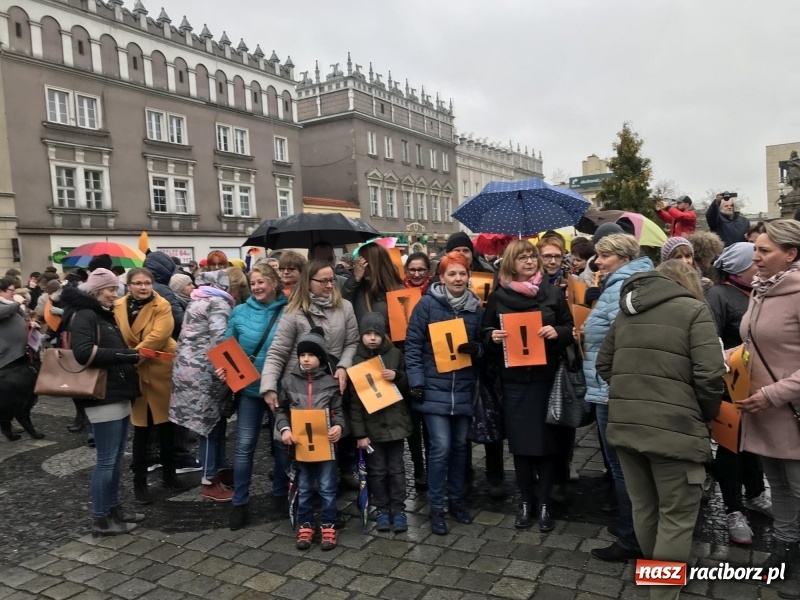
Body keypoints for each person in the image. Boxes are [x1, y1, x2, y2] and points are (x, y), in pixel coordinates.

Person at [596, 260, 725, 600]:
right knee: (677, 515)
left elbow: (604, 363)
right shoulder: (695, 311)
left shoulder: (628, 309)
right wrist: (704, 413)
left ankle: (655, 580)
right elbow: (711, 375)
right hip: (676, 429)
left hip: (626, 426)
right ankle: (662, 592)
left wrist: (632, 392)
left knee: (646, 508)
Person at [481, 240, 574, 531]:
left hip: (545, 380)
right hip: (514, 383)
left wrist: (555, 331)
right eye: (523, 258)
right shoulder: (499, 296)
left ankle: (544, 504)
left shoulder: (552, 293)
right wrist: (492, 337)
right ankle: (525, 502)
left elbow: (569, 329)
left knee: (546, 445)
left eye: (532, 257)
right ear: (511, 263)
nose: (530, 262)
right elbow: (483, 331)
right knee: (521, 447)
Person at [736, 220, 800, 599]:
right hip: (763, 411)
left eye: (764, 251)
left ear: (790, 254)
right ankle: (785, 552)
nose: (754, 257)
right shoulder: (760, 290)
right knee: (778, 487)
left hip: (790, 411)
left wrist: (774, 393)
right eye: (755, 249)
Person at [583, 233, 654, 562]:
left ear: (623, 257)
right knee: (624, 466)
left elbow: (623, 338)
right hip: (610, 386)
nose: (597, 262)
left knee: (623, 467)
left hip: (611, 389)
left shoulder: (623, 286)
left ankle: (631, 538)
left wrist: (615, 384)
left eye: (603, 256)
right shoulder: (621, 283)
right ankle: (631, 526)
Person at [260, 259, 359, 488]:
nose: (328, 285)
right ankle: (293, 494)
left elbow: (352, 342)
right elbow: (277, 352)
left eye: (331, 280)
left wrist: (344, 366)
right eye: (322, 281)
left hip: (330, 385)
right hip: (299, 388)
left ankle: (327, 494)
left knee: (331, 438)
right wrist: (269, 386)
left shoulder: (345, 307)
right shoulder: (294, 312)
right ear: (308, 282)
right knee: (297, 444)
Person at [59, 269, 144, 536]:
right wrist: (126, 355)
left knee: (116, 458)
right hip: (102, 395)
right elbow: (83, 353)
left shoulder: (100, 314)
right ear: (96, 290)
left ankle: (113, 509)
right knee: (107, 460)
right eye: (109, 289)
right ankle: (101, 519)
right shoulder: (85, 315)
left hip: (116, 393)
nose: (114, 294)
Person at [405, 251, 483, 535]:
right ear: (441, 277)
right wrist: (416, 380)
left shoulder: (476, 308)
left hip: (462, 388)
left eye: (462, 273)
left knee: (461, 447)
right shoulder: (426, 305)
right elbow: (413, 345)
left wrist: (478, 350)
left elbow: (482, 343)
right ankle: (436, 507)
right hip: (433, 390)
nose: (458, 278)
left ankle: (456, 500)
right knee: (440, 447)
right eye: (452, 274)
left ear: (468, 276)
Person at [705, 242, 771, 545]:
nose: (759, 263)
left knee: (754, 445)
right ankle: (733, 509)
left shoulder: (761, 290)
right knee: (731, 450)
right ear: (739, 268)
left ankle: (756, 493)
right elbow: (710, 342)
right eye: (754, 261)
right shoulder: (718, 295)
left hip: (760, 387)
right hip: (730, 388)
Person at [438, 231, 504, 496]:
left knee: (491, 418)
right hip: (454, 361)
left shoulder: (489, 275)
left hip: (486, 359)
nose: (463, 255)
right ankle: (463, 473)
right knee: (461, 425)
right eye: (458, 250)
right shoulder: (445, 279)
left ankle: (495, 475)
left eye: (467, 250)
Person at [113, 268, 186, 505]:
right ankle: (140, 482)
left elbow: (158, 337)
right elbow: (116, 336)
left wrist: (129, 357)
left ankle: (169, 474)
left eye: (147, 283)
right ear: (128, 285)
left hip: (158, 371)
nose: (143, 287)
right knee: (141, 431)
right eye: (138, 283)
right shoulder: (119, 306)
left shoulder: (162, 305)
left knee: (166, 427)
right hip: (134, 374)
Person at [224, 263, 288, 530]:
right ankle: (239, 502)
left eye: (262, 282)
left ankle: (281, 493)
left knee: (282, 446)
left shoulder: (290, 311)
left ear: (274, 283)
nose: (257, 287)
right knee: (244, 446)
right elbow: (227, 348)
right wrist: (223, 368)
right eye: (253, 284)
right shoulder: (239, 312)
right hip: (249, 391)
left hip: (280, 390)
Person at [276, 330, 346, 551]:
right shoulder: (288, 382)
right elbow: (281, 411)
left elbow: (338, 412)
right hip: (300, 447)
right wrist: (285, 430)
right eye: (302, 354)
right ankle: (305, 525)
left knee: (327, 487)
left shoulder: (330, 383)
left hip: (326, 446)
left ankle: (328, 524)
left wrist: (339, 427)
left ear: (321, 358)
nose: (305, 358)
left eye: (311, 355)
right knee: (304, 487)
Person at [170, 271, 236, 501]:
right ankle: (209, 480)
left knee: (212, 422)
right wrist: (238, 373)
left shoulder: (196, 300)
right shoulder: (218, 303)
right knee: (208, 425)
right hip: (205, 372)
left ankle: (221, 468)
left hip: (186, 370)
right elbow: (220, 341)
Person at [349, 313, 412, 533]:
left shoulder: (395, 354)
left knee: (396, 469)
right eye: (368, 334)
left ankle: (399, 509)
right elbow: (355, 402)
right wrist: (360, 434)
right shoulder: (356, 361)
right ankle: (382, 509)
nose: (372, 338)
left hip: (395, 425)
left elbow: (408, 386)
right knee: (376, 471)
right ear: (361, 336)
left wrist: (397, 376)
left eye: (376, 333)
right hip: (372, 429)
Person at [402, 251, 433, 487]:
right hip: (406, 364)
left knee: (430, 424)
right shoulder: (398, 295)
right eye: (412, 269)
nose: (416, 274)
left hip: (432, 363)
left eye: (421, 269)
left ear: (428, 272)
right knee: (412, 423)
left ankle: (432, 467)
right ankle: (418, 469)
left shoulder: (435, 295)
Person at [0, 277, 41, 442]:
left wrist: (30, 325)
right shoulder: (6, 305)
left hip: (20, 355)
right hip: (5, 357)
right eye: (11, 290)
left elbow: (20, 316)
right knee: (6, 395)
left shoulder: (10, 305)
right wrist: (17, 303)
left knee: (18, 394)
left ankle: (12, 421)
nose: (14, 293)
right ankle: (8, 426)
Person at [342, 242, 405, 324]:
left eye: (362, 260)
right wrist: (355, 278)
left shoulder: (398, 290)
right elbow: (342, 303)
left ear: (371, 263)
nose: (358, 265)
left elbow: (402, 327)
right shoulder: (359, 288)